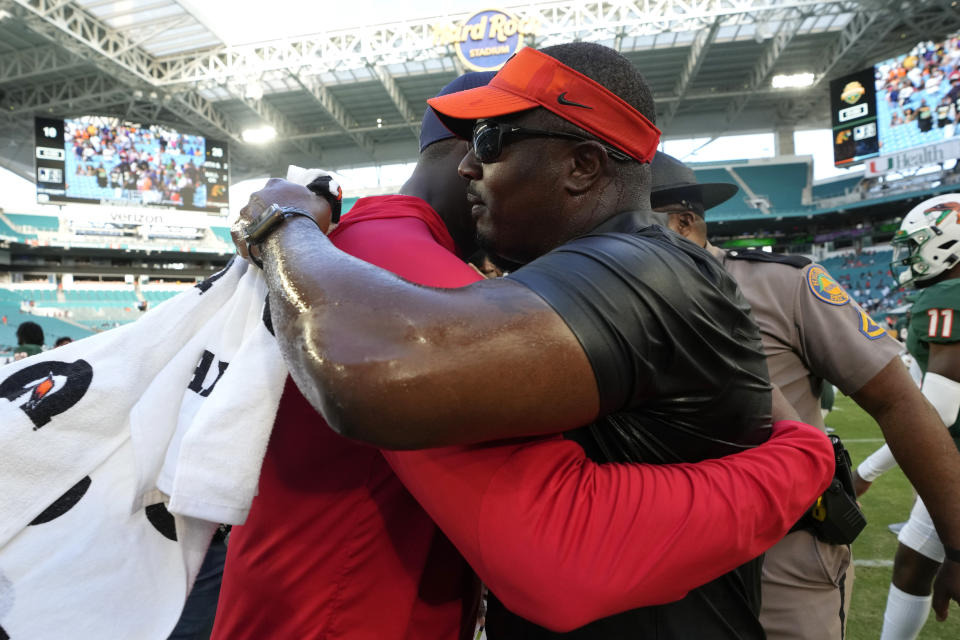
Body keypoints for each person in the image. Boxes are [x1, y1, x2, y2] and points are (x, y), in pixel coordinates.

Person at [226, 44, 835, 639]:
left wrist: (284, 223)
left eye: (490, 142)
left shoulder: (641, 266)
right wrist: (794, 458)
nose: (470, 166)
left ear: (583, 166)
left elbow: (367, 369)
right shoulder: (625, 270)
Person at [651, 152, 960, 637]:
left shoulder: (781, 285)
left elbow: (900, 401)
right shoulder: (603, 302)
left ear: (685, 223)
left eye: (629, 222)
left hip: (781, 556)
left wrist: (957, 544)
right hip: (659, 559)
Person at [856, 194, 960, 639]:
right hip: (953, 458)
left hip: (954, 457)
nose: (911, 257)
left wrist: (865, 472)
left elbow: (938, 407)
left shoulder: (948, 291)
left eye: (919, 244)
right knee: (914, 559)